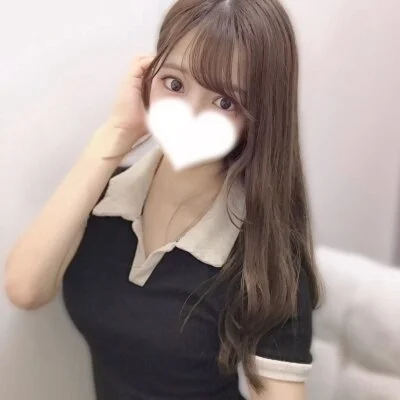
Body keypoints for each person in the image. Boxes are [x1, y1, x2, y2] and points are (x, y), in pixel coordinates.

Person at [5, 0, 322, 399]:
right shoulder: (103, 192)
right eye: (174, 84)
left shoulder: (265, 247)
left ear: (260, 115)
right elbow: (26, 289)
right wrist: (117, 134)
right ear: (148, 76)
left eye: (225, 102)